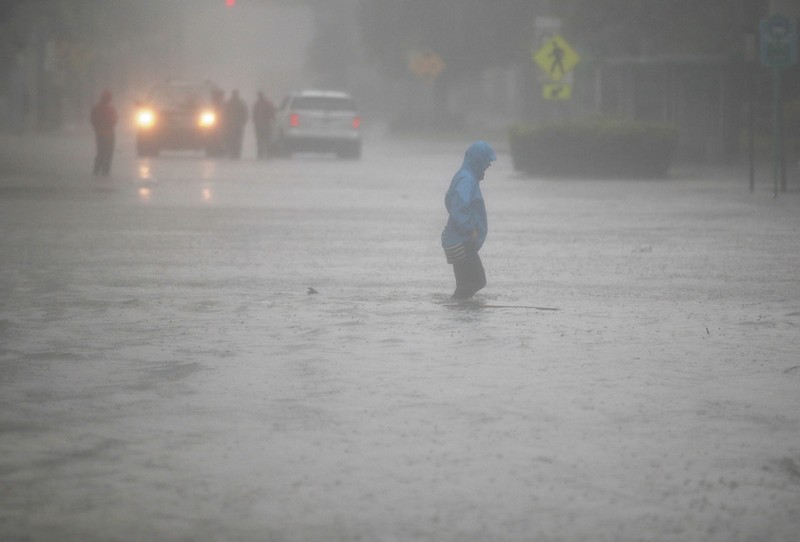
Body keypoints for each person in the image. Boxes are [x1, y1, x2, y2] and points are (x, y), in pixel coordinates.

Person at [441, 141, 496, 300]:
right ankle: (456, 306)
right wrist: (469, 229)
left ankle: (460, 312)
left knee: (465, 283)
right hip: (461, 241)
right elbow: (458, 206)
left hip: (455, 241)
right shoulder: (467, 179)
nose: (488, 165)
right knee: (478, 281)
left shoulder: (463, 175)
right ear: (478, 160)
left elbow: (449, 200)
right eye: (487, 161)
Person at [90, 90, 118, 177]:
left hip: (102, 134)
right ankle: (104, 171)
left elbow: (93, 120)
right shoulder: (106, 109)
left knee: (103, 153)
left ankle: (100, 170)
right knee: (106, 153)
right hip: (106, 134)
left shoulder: (98, 108)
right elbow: (114, 120)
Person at [224, 90, 248, 159]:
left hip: (234, 125)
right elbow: (245, 114)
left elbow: (245, 114)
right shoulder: (240, 103)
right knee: (235, 139)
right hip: (235, 125)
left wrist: (243, 122)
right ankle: (235, 153)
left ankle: (234, 153)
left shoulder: (230, 103)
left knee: (234, 139)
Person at [252, 91, 276, 159]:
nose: (259, 97)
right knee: (264, 139)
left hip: (262, 124)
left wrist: (255, 121)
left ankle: (263, 153)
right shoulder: (266, 103)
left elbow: (272, 112)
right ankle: (265, 153)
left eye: (259, 95)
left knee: (262, 139)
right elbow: (273, 112)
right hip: (263, 124)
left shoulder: (258, 104)